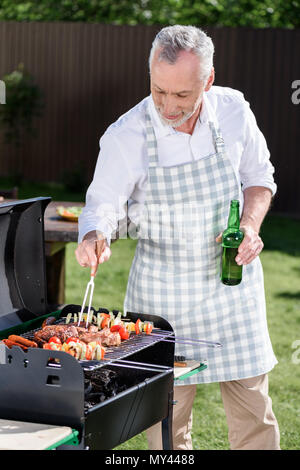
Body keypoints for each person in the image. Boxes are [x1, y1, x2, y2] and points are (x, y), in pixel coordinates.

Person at [75, 25, 280, 450]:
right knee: (166, 423)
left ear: (208, 80)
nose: (167, 106)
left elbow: (259, 179)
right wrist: (95, 235)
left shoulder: (233, 110)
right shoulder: (126, 134)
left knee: (255, 417)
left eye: (181, 95)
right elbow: (102, 206)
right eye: (158, 91)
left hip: (232, 288)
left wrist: (250, 225)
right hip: (162, 297)